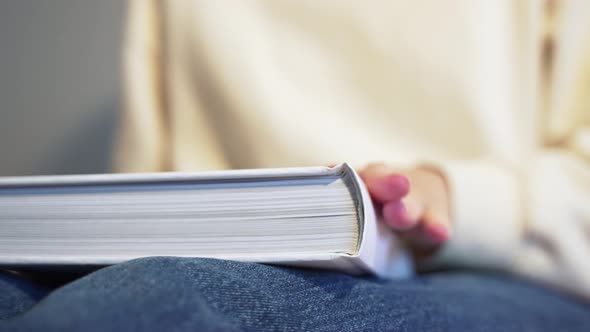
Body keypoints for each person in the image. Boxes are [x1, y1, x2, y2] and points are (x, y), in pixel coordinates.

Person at [2, 1, 590, 331]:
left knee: (150, 307)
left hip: (489, 267)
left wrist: (456, 198)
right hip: (219, 256)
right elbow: (149, 165)